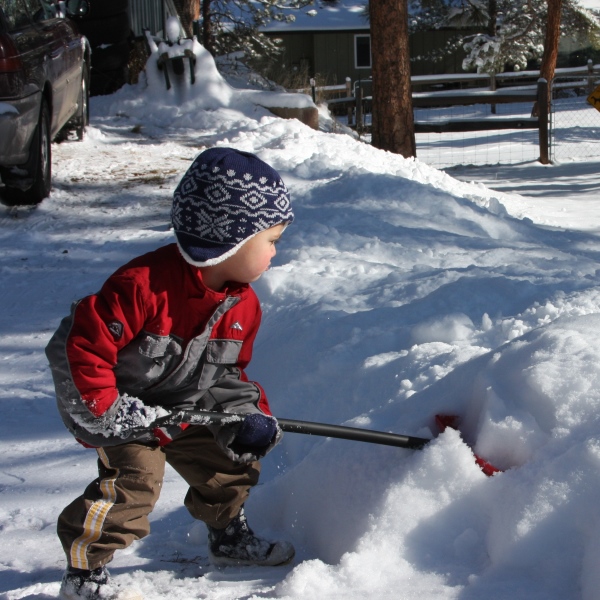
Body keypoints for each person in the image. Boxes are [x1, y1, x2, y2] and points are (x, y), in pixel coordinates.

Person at [45, 148, 295, 600]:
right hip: (123, 408)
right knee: (134, 483)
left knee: (230, 461)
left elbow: (225, 375)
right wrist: (109, 411)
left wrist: (248, 413)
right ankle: (86, 570)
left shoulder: (244, 306)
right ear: (231, 241)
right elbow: (80, 348)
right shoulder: (142, 286)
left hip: (182, 406)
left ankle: (228, 535)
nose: (276, 253)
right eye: (271, 240)